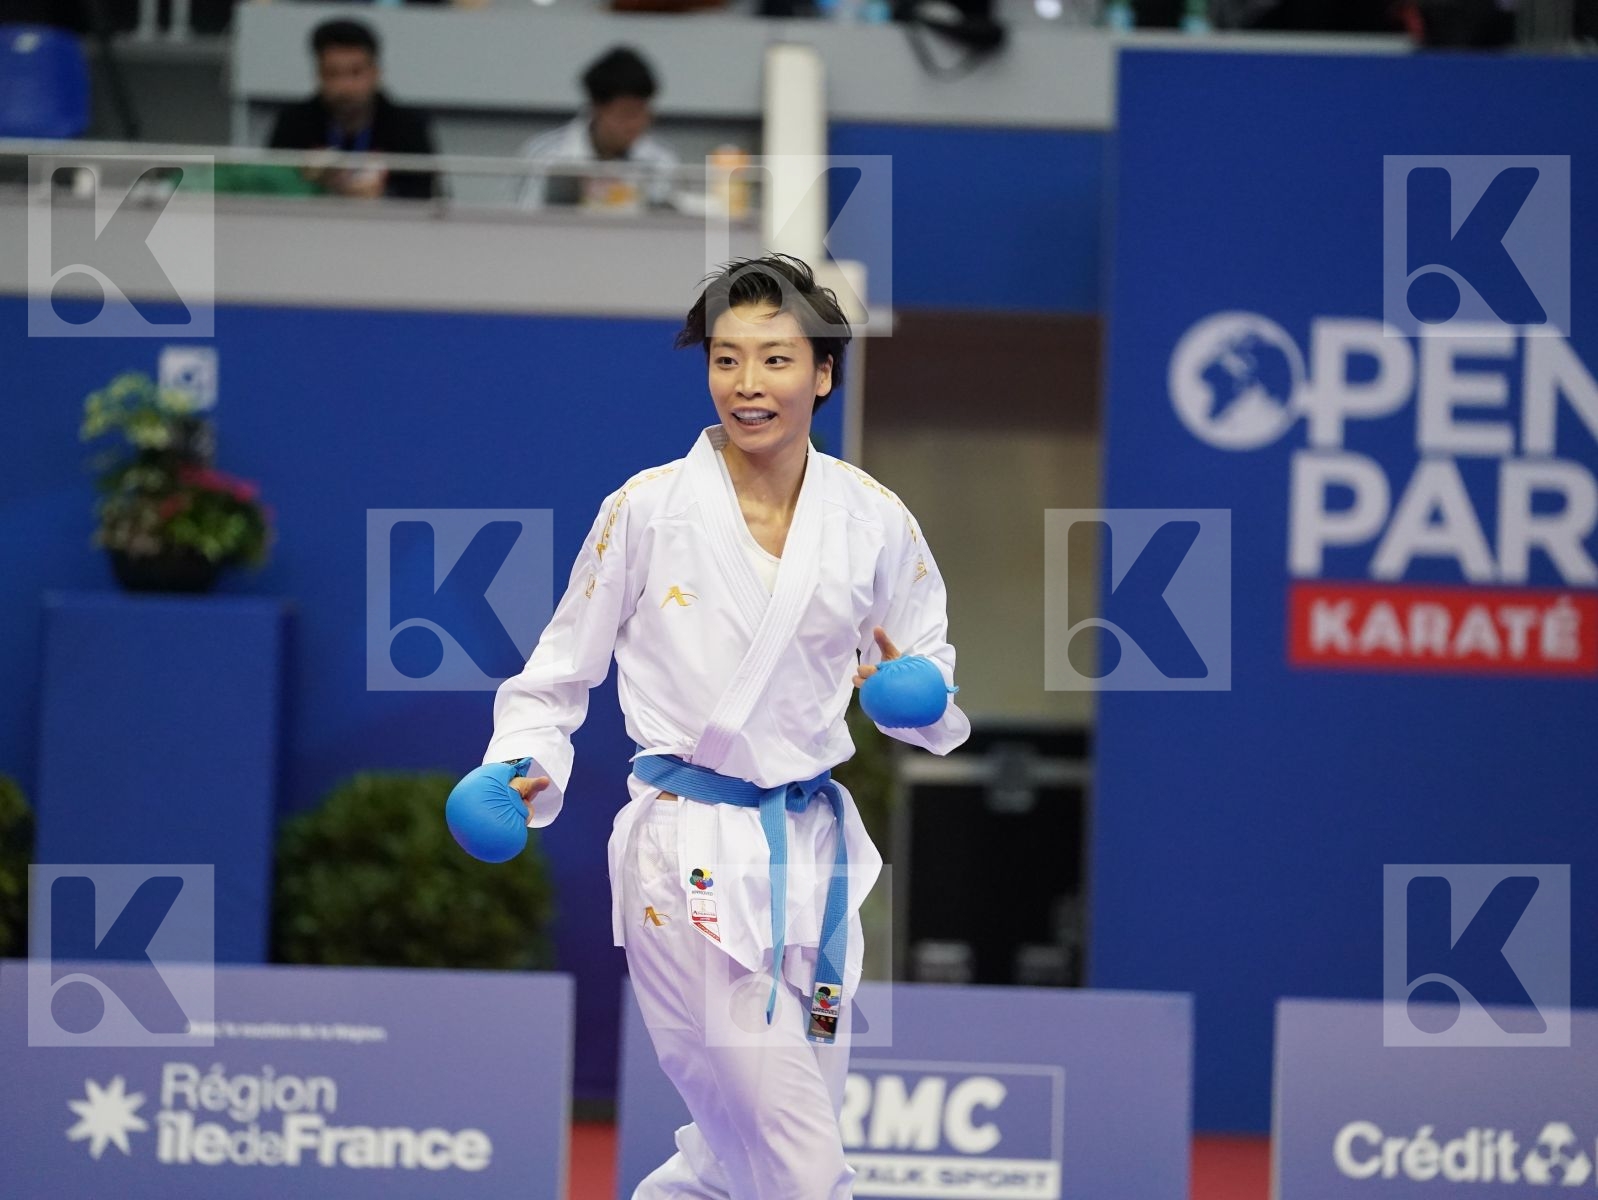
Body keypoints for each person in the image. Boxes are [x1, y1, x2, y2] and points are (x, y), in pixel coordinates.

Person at [483, 254, 969, 1198]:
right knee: (797, 1153)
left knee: (725, 1162)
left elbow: (930, 682)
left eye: (777, 360)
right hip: (685, 855)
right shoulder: (647, 509)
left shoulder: (874, 520)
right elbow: (556, 672)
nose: (748, 384)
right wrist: (520, 764)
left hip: (811, 858)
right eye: (727, 359)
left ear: (823, 373)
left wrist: (913, 691)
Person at [267, 19, 440, 201]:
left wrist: (383, 196)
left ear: (375, 73)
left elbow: (424, 197)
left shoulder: (408, 127)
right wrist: (311, 184)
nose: (345, 86)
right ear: (318, 75)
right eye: (332, 73)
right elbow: (269, 188)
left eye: (356, 73)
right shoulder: (293, 123)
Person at [515, 46, 679, 212]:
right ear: (597, 109)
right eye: (628, 114)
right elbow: (525, 220)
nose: (637, 124)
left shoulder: (659, 159)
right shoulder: (547, 155)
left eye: (644, 113)